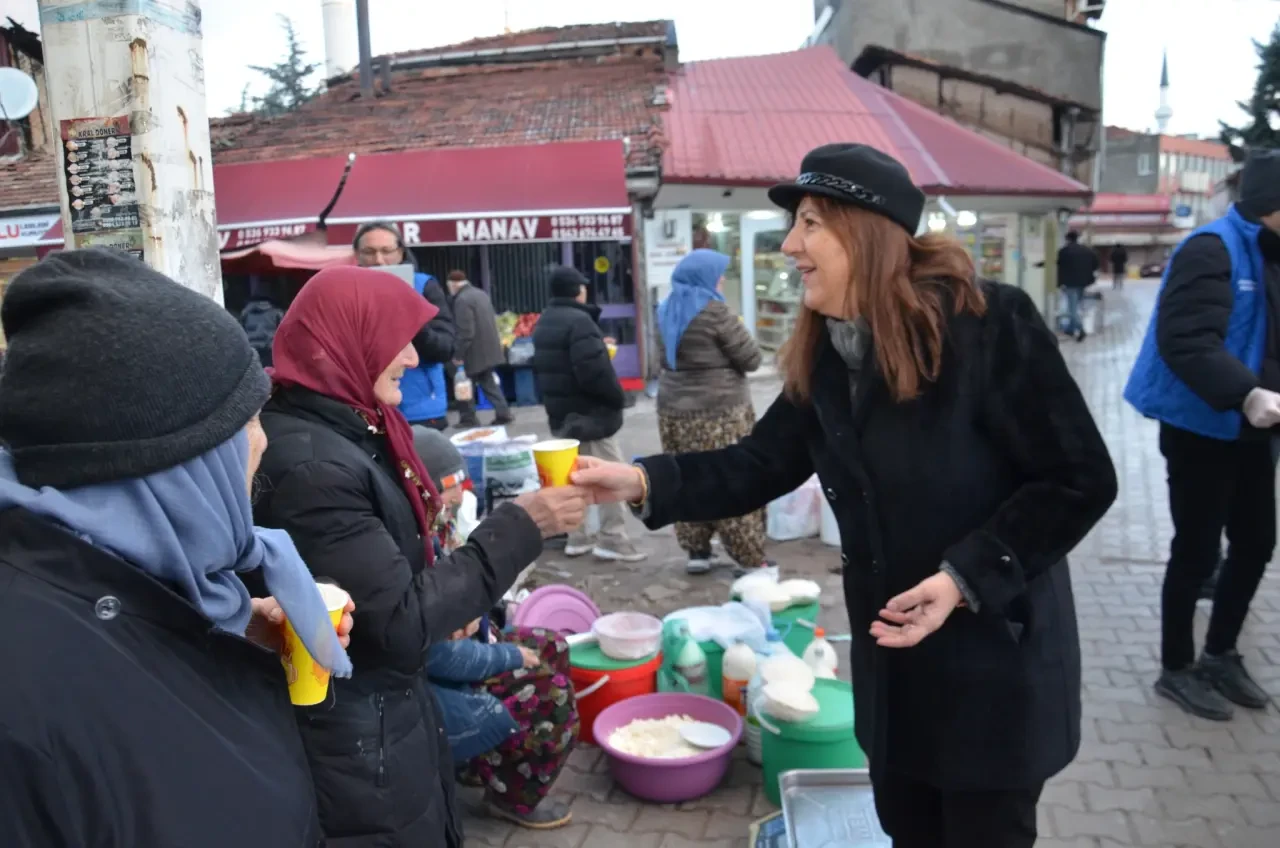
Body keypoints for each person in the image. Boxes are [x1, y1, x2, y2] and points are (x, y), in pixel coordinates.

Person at [570, 143, 1118, 848]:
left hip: (992, 668)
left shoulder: (990, 326)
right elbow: (758, 464)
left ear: (867, 232)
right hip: (896, 672)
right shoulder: (830, 352)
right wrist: (644, 480)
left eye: (810, 224)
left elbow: (1080, 479)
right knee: (907, 829)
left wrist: (964, 577)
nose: (790, 245)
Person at [0, 249, 355, 847]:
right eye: (244, 421)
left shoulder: (149, 594)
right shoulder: (26, 700)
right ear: (170, 463)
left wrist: (215, 643)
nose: (264, 443)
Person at [252, 265, 588, 847]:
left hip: (387, 717)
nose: (411, 357)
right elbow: (399, 623)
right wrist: (522, 524)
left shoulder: (354, 428)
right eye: (395, 340)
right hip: (357, 735)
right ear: (347, 343)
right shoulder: (312, 468)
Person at [1123, 149, 1280, 721]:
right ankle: (1176, 667)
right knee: (1195, 550)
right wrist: (1246, 392)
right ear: (1271, 206)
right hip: (1199, 422)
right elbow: (1185, 340)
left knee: (1258, 541)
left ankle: (1220, 652)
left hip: (1253, 426)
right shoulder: (1212, 248)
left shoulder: (1272, 254)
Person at [412, 427, 579, 829]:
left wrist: (478, 613)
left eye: (461, 483)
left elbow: (468, 597)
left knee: (554, 645)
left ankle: (490, 763)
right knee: (549, 695)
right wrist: (507, 654)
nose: (457, 495)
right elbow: (437, 657)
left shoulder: (440, 528)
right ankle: (512, 797)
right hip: (435, 682)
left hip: (464, 651)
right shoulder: (410, 545)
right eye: (447, 486)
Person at [656, 249, 768, 575]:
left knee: (685, 477)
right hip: (719, 413)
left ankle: (697, 552)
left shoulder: (663, 311)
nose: (721, 279)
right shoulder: (715, 312)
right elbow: (752, 359)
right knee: (731, 477)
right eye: (718, 273)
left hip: (673, 411)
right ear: (704, 276)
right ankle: (749, 558)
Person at [533, 266, 647, 563]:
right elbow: (594, 373)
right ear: (578, 290)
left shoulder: (546, 320)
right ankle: (614, 539)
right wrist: (618, 398)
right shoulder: (579, 321)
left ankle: (577, 536)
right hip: (590, 416)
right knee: (612, 475)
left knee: (571, 477)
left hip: (562, 414)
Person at [354, 221, 456, 430]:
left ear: (400, 251)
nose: (379, 261)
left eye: (386, 251)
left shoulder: (424, 286)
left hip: (420, 411)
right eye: (369, 252)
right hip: (366, 409)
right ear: (357, 254)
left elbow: (445, 348)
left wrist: (411, 321)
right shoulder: (347, 290)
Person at [447, 270, 513, 427]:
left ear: (454, 285)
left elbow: (466, 332)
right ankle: (503, 413)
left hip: (474, 353)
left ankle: (468, 418)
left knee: (463, 385)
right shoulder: (480, 294)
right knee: (488, 383)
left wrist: (458, 354)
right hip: (489, 349)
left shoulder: (462, 300)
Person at [1057, 229, 1098, 342]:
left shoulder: (1064, 251)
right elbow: (1095, 264)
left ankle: (1080, 329)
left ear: (1067, 239)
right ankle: (1070, 329)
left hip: (1070, 283)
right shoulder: (1087, 251)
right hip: (1083, 283)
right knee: (1076, 306)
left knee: (1072, 308)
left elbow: (1059, 266)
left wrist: (1059, 283)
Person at [240, 280, 284, 368]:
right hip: (269, 349)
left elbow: (241, 330)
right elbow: (283, 332)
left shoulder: (245, 313)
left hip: (252, 349)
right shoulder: (277, 313)